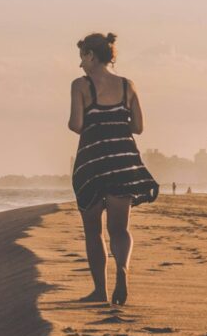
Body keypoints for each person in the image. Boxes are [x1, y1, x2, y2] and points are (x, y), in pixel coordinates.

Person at [68, 32, 159, 306]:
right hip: (123, 160)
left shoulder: (80, 85)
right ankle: (123, 268)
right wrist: (116, 124)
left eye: (82, 57)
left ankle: (100, 292)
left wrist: (97, 124)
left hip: (93, 162)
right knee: (119, 229)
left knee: (94, 230)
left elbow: (76, 124)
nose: (80, 64)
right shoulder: (127, 85)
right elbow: (139, 127)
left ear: (91, 56)